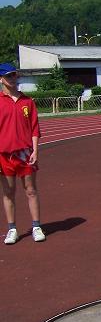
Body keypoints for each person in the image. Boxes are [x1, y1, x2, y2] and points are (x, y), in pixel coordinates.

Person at [0, 63, 45, 244]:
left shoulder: (28, 101)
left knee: (31, 190)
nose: (13, 78)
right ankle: (12, 229)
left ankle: (36, 226)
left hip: (26, 153)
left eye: (14, 75)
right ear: (1, 79)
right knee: (8, 192)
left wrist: (35, 150)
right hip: (4, 155)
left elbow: (34, 128)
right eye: (8, 76)